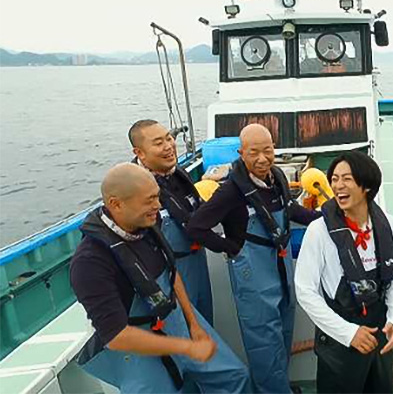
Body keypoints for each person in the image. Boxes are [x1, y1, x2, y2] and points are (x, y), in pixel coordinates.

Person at [70, 163, 248, 393]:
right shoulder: (90, 263)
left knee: (234, 376)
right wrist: (185, 348)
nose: (158, 206)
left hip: (176, 322)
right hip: (138, 347)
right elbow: (116, 337)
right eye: (149, 200)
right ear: (116, 204)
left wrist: (193, 323)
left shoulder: (147, 225)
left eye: (157, 197)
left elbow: (170, 274)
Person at [187, 123, 321, 393]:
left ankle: (280, 387)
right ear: (241, 153)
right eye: (254, 153)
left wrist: (324, 218)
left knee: (283, 332)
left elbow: (290, 209)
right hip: (252, 275)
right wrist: (230, 248)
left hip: (280, 268)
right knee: (264, 345)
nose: (262, 159)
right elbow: (196, 227)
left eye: (268, 150)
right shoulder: (230, 191)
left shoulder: (277, 178)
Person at [295, 151, 393, 393]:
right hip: (339, 343)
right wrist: (349, 333)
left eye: (346, 178)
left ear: (366, 185)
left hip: (379, 335)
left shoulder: (389, 225)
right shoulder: (319, 232)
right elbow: (305, 292)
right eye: (334, 179)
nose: (338, 185)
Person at [129, 119, 214, 324]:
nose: (168, 146)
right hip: (167, 276)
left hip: (196, 262)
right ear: (139, 153)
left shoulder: (177, 174)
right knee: (185, 332)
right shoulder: (132, 191)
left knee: (206, 323)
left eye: (169, 138)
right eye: (158, 143)